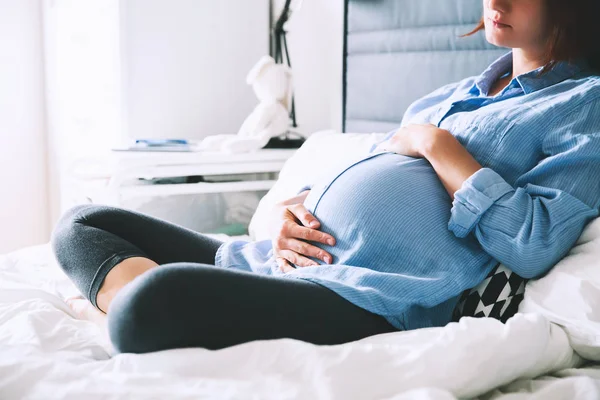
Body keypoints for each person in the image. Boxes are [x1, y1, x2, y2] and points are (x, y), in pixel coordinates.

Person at [52, 0, 600, 354]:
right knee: (82, 221)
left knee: (153, 301)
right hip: (281, 260)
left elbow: (533, 243)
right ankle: (124, 306)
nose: (495, 2)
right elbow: (366, 172)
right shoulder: (455, 93)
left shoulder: (583, 105)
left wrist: (438, 145)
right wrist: (286, 214)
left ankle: (116, 308)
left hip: (365, 296)